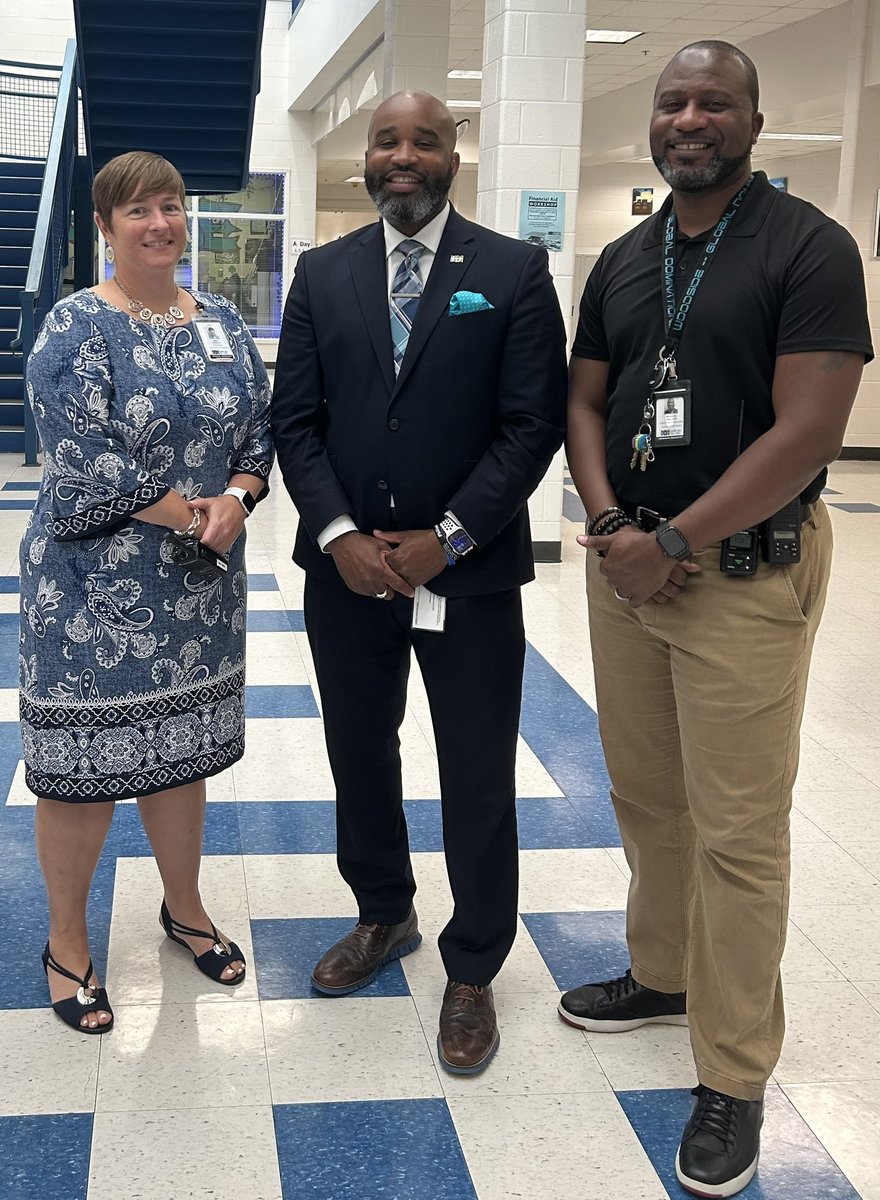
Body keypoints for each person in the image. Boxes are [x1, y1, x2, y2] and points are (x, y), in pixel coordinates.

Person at [563, 40, 872, 1198]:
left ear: (752, 121)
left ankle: (733, 1077)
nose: (690, 117)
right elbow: (583, 395)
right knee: (647, 799)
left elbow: (806, 434)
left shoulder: (811, 249)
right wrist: (608, 527)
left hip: (736, 573)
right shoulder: (627, 256)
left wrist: (674, 541)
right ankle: (663, 974)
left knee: (739, 833)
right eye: (672, 101)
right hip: (628, 567)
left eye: (714, 102)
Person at [271, 90, 567, 1075]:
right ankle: (383, 913)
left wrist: (447, 538)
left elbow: (531, 425)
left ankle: (474, 963)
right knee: (360, 748)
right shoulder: (322, 273)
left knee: (476, 767)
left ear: (452, 155)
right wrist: (343, 534)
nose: (404, 156)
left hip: (468, 576)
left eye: (425, 141)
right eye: (388, 140)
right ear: (367, 155)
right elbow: (295, 423)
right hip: (346, 573)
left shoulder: (513, 271)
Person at [19, 151, 273, 1033]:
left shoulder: (224, 323)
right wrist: (187, 512)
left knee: (180, 753)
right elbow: (82, 456)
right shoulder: (74, 326)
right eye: (137, 212)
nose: (159, 224)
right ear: (104, 226)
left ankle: (185, 909)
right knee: (82, 773)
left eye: (171, 207)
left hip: (199, 588)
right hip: (91, 590)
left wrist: (236, 501)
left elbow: (258, 430)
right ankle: (66, 944)